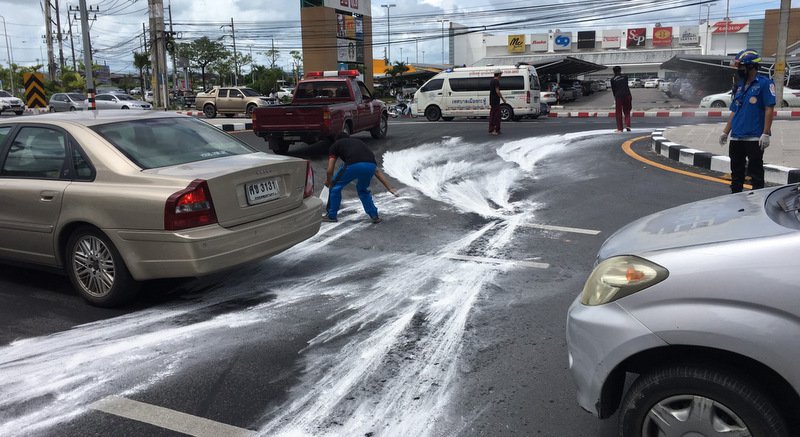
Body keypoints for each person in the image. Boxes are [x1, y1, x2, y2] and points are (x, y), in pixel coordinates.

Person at [719, 49, 775, 194]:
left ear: (751, 67)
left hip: (754, 137)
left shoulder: (765, 84)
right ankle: (735, 198)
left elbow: (769, 109)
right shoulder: (739, 86)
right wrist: (725, 132)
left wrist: (766, 133)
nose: (739, 69)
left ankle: (758, 202)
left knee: (755, 172)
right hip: (737, 136)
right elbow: (734, 110)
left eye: (741, 66)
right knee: (736, 173)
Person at [323, 137, 398, 223]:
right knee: (362, 190)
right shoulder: (358, 143)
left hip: (353, 164)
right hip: (371, 166)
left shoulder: (335, 145)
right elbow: (377, 171)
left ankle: (331, 215)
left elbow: (329, 170)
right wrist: (390, 188)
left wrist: (329, 181)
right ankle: (374, 216)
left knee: (335, 186)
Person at [610, 66, 632, 132]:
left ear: (613, 71)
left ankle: (620, 128)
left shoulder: (613, 79)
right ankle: (628, 125)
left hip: (619, 96)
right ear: (620, 70)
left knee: (618, 112)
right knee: (627, 111)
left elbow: (613, 90)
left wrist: (615, 97)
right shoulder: (625, 77)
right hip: (627, 95)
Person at [488, 70, 507, 135]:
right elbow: (497, 91)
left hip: (492, 100)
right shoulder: (496, 81)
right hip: (495, 100)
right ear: (498, 74)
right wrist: (503, 98)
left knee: (493, 115)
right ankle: (494, 130)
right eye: (500, 74)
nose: (501, 75)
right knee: (496, 116)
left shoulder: (491, 81)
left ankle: (494, 129)